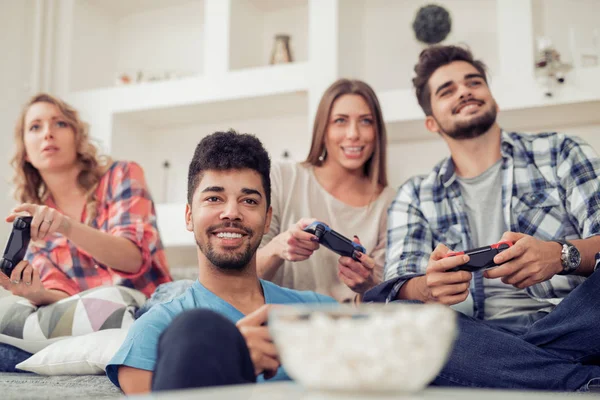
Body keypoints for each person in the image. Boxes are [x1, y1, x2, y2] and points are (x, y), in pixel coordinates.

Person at [364, 45, 600, 391]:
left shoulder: (560, 152)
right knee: (401, 321)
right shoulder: (415, 195)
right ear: (432, 122)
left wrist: (562, 255)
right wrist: (428, 288)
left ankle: (507, 372)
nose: (464, 91)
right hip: (474, 337)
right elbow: (397, 289)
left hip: (570, 322)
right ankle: (583, 383)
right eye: (447, 90)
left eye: (473, 82)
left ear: (493, 99)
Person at [106, 130, 337, 394]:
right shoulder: (153, 330)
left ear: (267, 218)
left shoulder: (319, 312)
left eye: (249, 201)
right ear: (189, 216)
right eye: (214, 198)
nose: (231, 213)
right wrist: (228, 362)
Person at [0, 93, 171, 306]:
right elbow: (64, 296)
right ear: (25, 151)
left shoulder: (122, 175)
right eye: (35, 127)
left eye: (60, 123)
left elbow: (132, 260)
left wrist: (66, 226)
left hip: (152, 307)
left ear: (77, 137)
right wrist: (35, 293)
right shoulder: (35, 224)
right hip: (97, 325)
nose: (48, 134)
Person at [257, 79, 396, 303]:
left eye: (366, 121)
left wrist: (367, 285)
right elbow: (242, 277)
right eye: (340, 121)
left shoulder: (391, 202)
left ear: (377, 131)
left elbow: (386, 299)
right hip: (278, 323)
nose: (353, 134)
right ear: (323, 129)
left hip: (349, 329)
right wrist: (278, 248)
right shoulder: (283, 177)